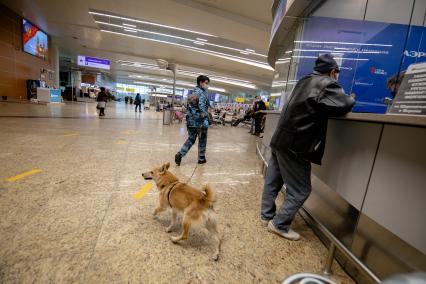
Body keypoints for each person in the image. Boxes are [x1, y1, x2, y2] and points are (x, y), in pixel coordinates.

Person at [260, 54, 355, 240]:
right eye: (336, 73)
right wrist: (351, 95)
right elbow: (345, 104)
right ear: (333, 71)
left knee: (273, 181)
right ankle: (279, 224)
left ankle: (266, 216)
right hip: (296, 145)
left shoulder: (303, 81)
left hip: (280, 139)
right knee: (301, 190)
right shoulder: (328, 84)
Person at [175, 75, 211, 166]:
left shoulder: (193, 93)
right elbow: (202, 107)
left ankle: (180, 154)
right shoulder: (202, 93)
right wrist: (207, 116)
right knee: (202, 140)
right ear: (200, 82)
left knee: (191, 139)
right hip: (200, 121)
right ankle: (201, 159)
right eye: (206, 83)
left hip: (190, 121)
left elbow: (190, 107)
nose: (207, 85)